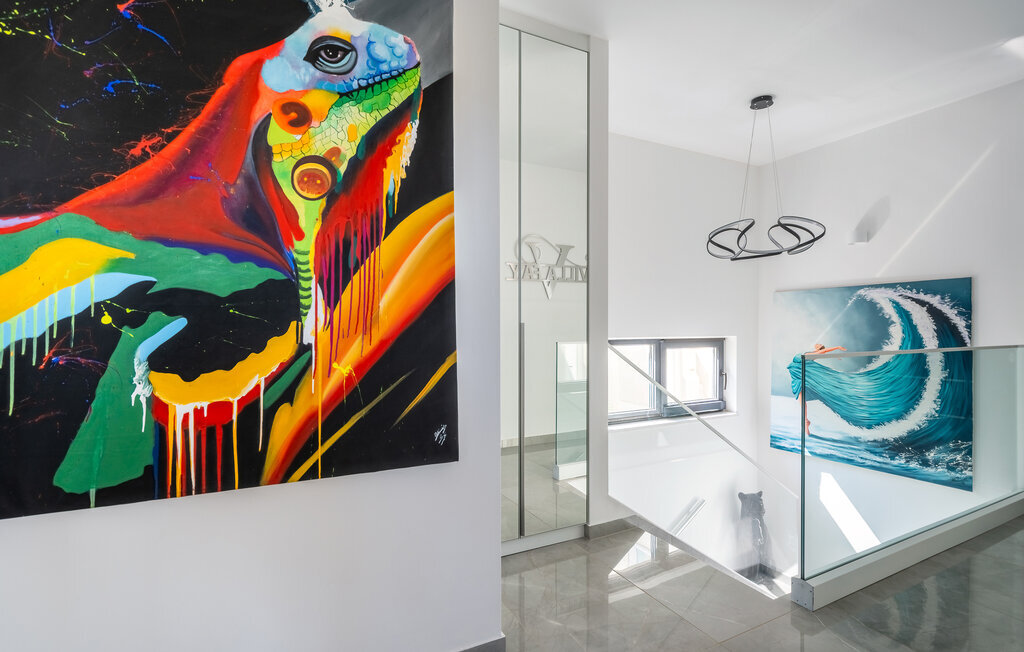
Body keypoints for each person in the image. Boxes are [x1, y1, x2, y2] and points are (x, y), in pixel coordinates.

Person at [795, 344, 846, 433]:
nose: (817, 344)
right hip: (798, 376)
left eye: (820, 344)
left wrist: (837, 347)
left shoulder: (812, 354)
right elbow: (824, 353)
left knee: (801, 399)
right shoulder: (812, 353)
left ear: (819, 348)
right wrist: (834, 356)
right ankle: (806, 421)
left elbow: (824, 351)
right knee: (801, 399)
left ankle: (806, 422)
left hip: (800, 377)